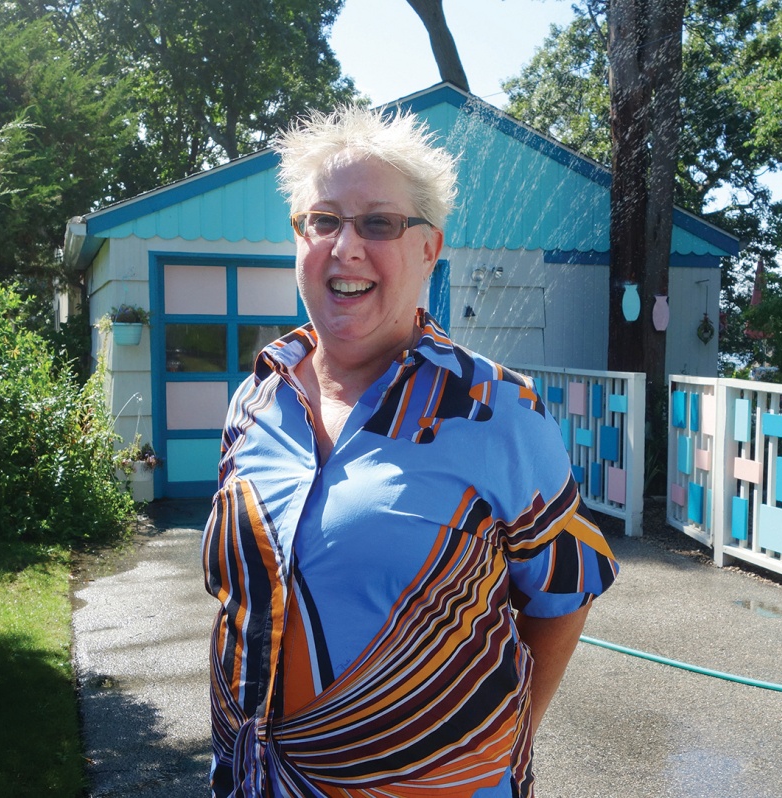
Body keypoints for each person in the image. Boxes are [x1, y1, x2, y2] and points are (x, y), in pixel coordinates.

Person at [202, 105, 618, 797]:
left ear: (430, 247)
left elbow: (564, 596)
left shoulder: (495, 413)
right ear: (298, 239)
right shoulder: (256, 400)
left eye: (379, 223)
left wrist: (500, 742)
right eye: (324, 220)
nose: (347, 246)